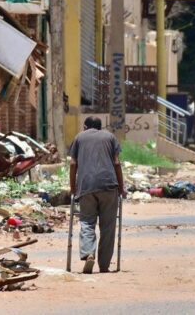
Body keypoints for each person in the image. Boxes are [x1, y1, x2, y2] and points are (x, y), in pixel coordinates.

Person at [69, 116, 126, 274]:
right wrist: (121, 188)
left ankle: (89, 254)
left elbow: (73, 164)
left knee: (87, 222)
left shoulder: (79, 137)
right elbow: (116, 163)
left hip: (86, 186)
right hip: (109, 186)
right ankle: (104, 265)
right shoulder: (110, 137)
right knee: (108, 226)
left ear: (85, 126)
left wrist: (73, 188)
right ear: (100, 127)